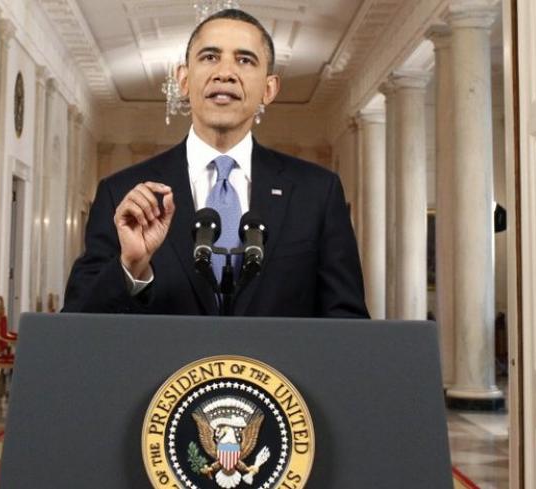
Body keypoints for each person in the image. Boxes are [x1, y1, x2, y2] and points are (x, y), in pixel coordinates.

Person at [62, 9, 368, 318]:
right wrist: (130, 267)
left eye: (244, 60)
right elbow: (77, 323)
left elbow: (347, 323)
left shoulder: (317, 193)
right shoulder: (123, 194)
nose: (225, 73)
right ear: (183, 79)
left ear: (269, 89)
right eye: (210, 57)